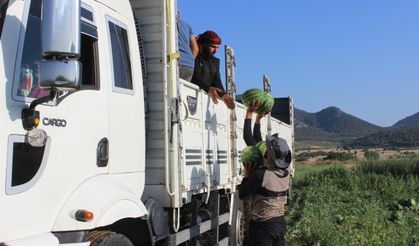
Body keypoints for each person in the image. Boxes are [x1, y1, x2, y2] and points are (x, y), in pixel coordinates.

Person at [239, 133, 292, 246]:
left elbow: (242, 194)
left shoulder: (261, 176)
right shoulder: (286, 174)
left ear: (271, 156)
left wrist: (247, 175)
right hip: (280, 224)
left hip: (263, 227)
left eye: (268, 151)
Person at [191, 30, 235, 110]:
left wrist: (223, 94)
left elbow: (216, 81)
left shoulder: (215, 61)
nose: (215, 51)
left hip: (205, 100)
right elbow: (195, 76)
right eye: (213, 47)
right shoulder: (194, 56)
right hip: (193, 97)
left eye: (217, 48)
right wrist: (208, 88)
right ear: (204, 44)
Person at [177, 13, 198, 81]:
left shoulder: (169, 25)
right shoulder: (187, 26)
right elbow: (196, 49)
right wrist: (190, 60)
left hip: (178, 62)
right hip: (189, 65)